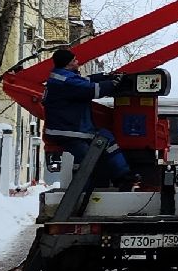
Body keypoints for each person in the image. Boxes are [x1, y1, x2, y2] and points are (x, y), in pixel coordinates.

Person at [43, 47, 126, 189]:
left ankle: (123, 176)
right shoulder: (66, 82)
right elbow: (89, 89)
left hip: (65, 130)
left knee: (105, 137)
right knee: (86, 159)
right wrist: (112, 84)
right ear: (68, 64)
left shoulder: (61, 77)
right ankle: (82, 191)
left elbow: (84, 81)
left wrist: (105, 76)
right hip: (69, 131)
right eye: (75, 60)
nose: (78, 62)